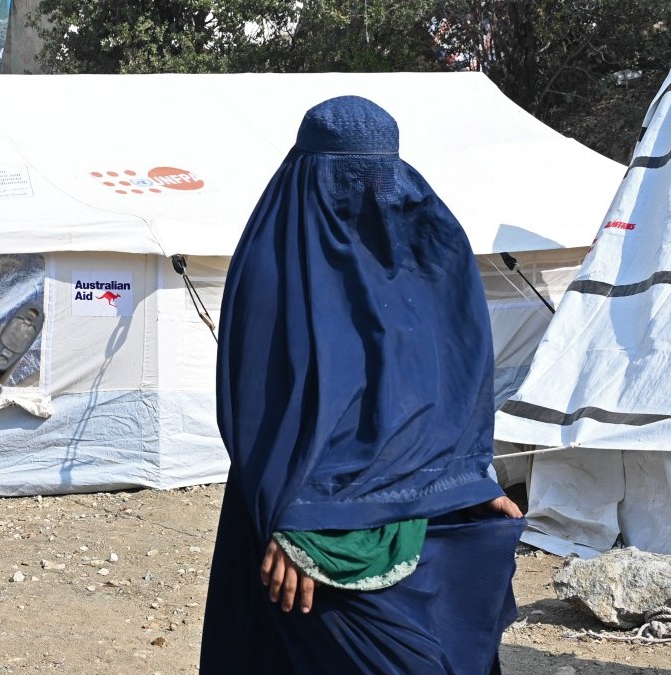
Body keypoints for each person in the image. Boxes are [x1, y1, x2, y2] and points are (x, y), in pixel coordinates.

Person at [199, 96, 526, 674]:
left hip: (422, 517)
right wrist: (294, 518)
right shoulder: (279, 264)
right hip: (309, 522)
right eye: (349, 175)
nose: (370, 191)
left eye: (379, 171)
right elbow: (263, 411)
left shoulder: (429, 246)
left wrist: (470, 481)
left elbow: (455, 387)